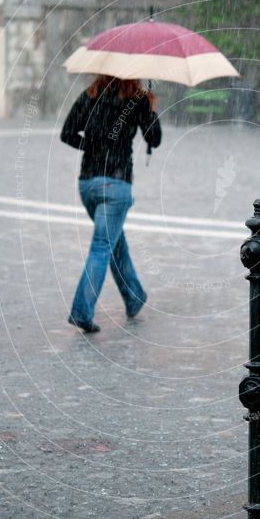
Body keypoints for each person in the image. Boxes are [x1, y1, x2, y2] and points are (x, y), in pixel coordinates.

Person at [60, 75, 161, 333]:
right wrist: (151, 108)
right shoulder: (136, 100)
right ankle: (82, 311)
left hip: (88, 185)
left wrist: (93, 146)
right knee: (102, 246)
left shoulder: (90, 95)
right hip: (115, 185)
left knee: (114, 241)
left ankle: (133, 296)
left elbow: (67, 134)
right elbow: (154, 139)